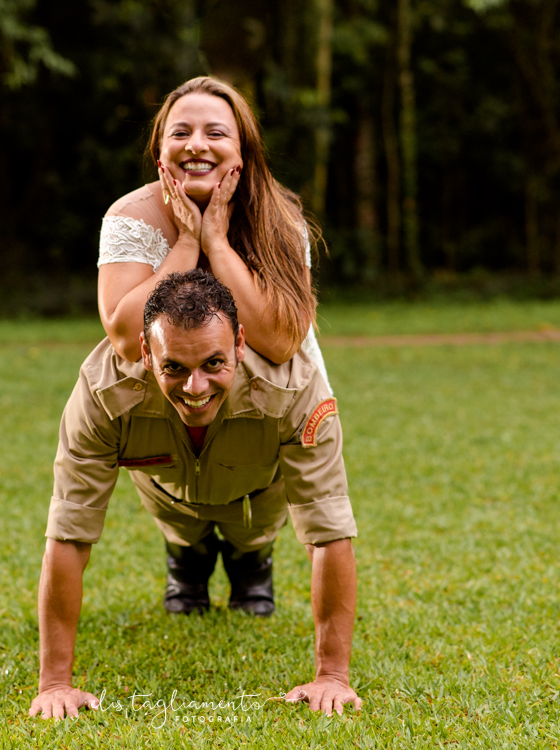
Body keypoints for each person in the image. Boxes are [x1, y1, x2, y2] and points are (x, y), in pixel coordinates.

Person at [30, 270, 360, 720]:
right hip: (167, 487)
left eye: (213, 364)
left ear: (240, 344)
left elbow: (327, 531)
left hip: (258, 488)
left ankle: (252, 563)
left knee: (254, 538)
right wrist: (54, 684)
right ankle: (188, 557)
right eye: (174, 368)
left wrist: (332, 677)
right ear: (146, 353)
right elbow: (69, 533)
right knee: (185, 535)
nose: (195, 388)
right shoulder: (102, 393)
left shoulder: (296, 387)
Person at [97, 75, 332, 383]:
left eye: (216, 133)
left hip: (276, 408)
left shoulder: (280, 218)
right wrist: (187, 244)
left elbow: (281, 343)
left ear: (243, 152)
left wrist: (216, 244)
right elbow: (127, 341)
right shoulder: (130, 216)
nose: (195, 145)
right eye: (180, 133)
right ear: (160, 152)